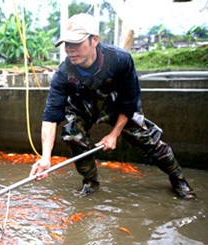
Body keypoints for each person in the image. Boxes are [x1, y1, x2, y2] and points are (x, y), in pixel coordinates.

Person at [29, 13, 196, 199]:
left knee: (147, 138)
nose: (70, 49)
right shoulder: (63, 73)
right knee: (72, 134)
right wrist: (45, 158)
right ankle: (90, 182)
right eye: (66, 44)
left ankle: (177, 177)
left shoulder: (120, 60)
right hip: (82, 106)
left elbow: (130, 102)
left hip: (116, 104)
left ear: (94, 40)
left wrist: (114, 134)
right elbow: (51, 116)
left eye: (76, 43)